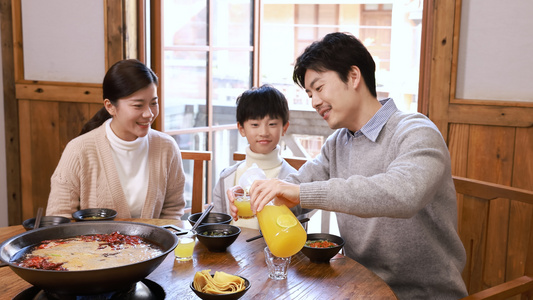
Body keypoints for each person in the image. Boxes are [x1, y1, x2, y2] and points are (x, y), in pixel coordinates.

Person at [229, 33, 468, 299]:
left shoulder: (415, 130)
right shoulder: (337, 144)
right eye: (309, 94)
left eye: (319, 88)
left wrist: (301, 193)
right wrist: (252, 198)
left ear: (353, 77)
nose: (314, 102)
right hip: (358, 287)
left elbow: (404, 193)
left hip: (421, 294)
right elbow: (295, 190)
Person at [46, 59, 186, 219]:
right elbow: (59, 217)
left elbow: (172, 211)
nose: (149, 113)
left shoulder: (166, 147)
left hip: (154, 244)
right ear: (110, 106)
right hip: (91, 244)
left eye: (154, 103)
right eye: (138, 106)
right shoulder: (78, 150)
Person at [212, 84, 301, 229]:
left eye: (272, 124)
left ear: (284, 127)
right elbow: (215, 226)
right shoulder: (226, 178)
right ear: (241, 128)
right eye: (255, 124)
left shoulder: (293, 180)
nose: (264, 132)